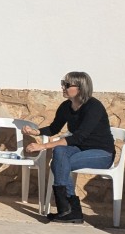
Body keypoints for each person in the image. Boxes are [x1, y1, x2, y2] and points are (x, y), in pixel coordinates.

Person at [23, 71, 114, 224]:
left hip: (102, 153)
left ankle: (67, 208)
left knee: (60, 163)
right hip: (79, 149)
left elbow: (78, 137)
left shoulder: (93, 107)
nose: (62, 87)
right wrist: (36, 131)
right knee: (59, 152)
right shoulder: (66, 106)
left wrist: (43, 146)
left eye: (66, 85)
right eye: (62, 83)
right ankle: (71, 210)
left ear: (80, 87)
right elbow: (54, 128)